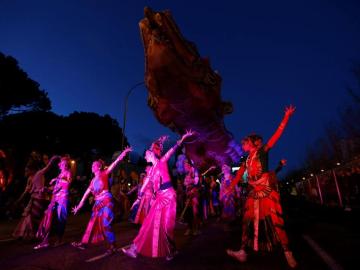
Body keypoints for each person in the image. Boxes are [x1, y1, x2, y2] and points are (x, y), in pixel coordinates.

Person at [226, 105, 297, 268]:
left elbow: (276, 136)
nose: (242, 144)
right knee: (247, 221)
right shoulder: (246, 159)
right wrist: (231, 186)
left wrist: (286, 117)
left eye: (245, 142)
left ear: (251, 143)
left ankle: (288, 252)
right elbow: (239, 174)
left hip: (266, 192)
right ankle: (243, 251)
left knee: (276, 220)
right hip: (253, 193)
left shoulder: (262, 151)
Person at [122, 130, 195, 260]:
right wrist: (138, 198)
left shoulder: (162, 162)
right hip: (159, 198)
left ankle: (171, 250)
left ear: (152, 155)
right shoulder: (151, 171)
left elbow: (173, 149)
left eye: (147, 154)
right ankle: (134, 249)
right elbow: (145, 185)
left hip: (169, 196)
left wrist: (183, 138)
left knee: (167, 227)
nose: (145, 156)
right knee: (149, 223)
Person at [71, 147, 132, 254]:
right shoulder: (92, 181)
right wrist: (79, 206)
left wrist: (124, 153)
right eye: (92, 165)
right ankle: (84, 243)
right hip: (98, 203)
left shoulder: (104, 174)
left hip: (107, 200)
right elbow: (85, 195)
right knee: (91, 224)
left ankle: (113, 246)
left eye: (94, 165)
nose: (92, 166)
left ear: (99, 167)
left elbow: (115, 163)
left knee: (106, 224)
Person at [13, 155, 58, 240]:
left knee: (35, 218)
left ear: (32, 170)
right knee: (30, 217)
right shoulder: (31, 178)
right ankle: (31, 234)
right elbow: (27, 190)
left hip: (39, 199)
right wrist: (19, 199)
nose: (26, 172)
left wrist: (53, 159)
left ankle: (40, 233)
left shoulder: (39, 173)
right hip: (34, 199)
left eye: (27, 170)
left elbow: (48, 167)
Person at [34, 156, 72, 249]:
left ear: (66, 165)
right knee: (48, 218)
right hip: (55, 199)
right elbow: (55, 188)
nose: (59, 165)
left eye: (61, 163)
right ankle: (45, 241)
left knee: (60, 220)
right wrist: (46, 189)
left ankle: (59, 240)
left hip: (63, 199)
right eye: (60, 163)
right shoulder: (60, 174)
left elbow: (68, 184)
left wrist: (57, 180)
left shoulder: (68, 173)